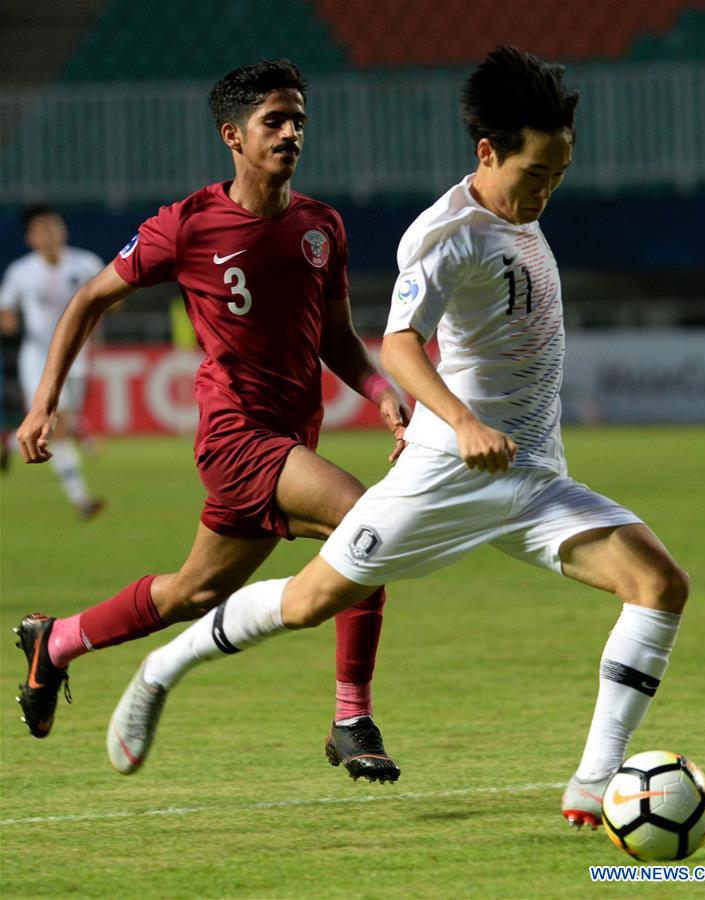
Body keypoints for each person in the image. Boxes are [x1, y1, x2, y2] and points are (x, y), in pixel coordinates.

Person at [107, 46, 689, 829]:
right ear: (486, 153)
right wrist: (462, 423)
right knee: (309, 602)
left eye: (559, 174)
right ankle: (163, 665)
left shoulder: (520, 214)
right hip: (449, 473)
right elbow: (400, 346)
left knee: (658, 584)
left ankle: (592, 782)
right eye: (534, 174)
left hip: (531, 478)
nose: (545, 191)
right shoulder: (445, 234)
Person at [14, 60, 409, 784]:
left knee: (194, 592)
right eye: (273, 121)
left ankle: (57, 642)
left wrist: (379, 389)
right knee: (366, 523)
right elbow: (88, 300)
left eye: (298, 121)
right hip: (236, 437)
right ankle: (351, 718)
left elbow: (337, 339)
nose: (290, 134)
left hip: (291, 438)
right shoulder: (188, 224)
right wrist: (43, 403)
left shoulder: (321, 226)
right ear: (232, 136)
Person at [0, 206, 105, 516]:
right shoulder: (22, 271)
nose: (48, 234)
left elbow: (108, 298)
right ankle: (81, 500)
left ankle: (8, 443)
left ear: (64, 231)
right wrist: (8, 323)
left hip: (77, 356)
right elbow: (6, 308)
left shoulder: (86, 263)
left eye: (53, 227)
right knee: (56, 427)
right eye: (41, 229)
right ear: (30, 238)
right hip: (38, 358)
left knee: (61, 426)